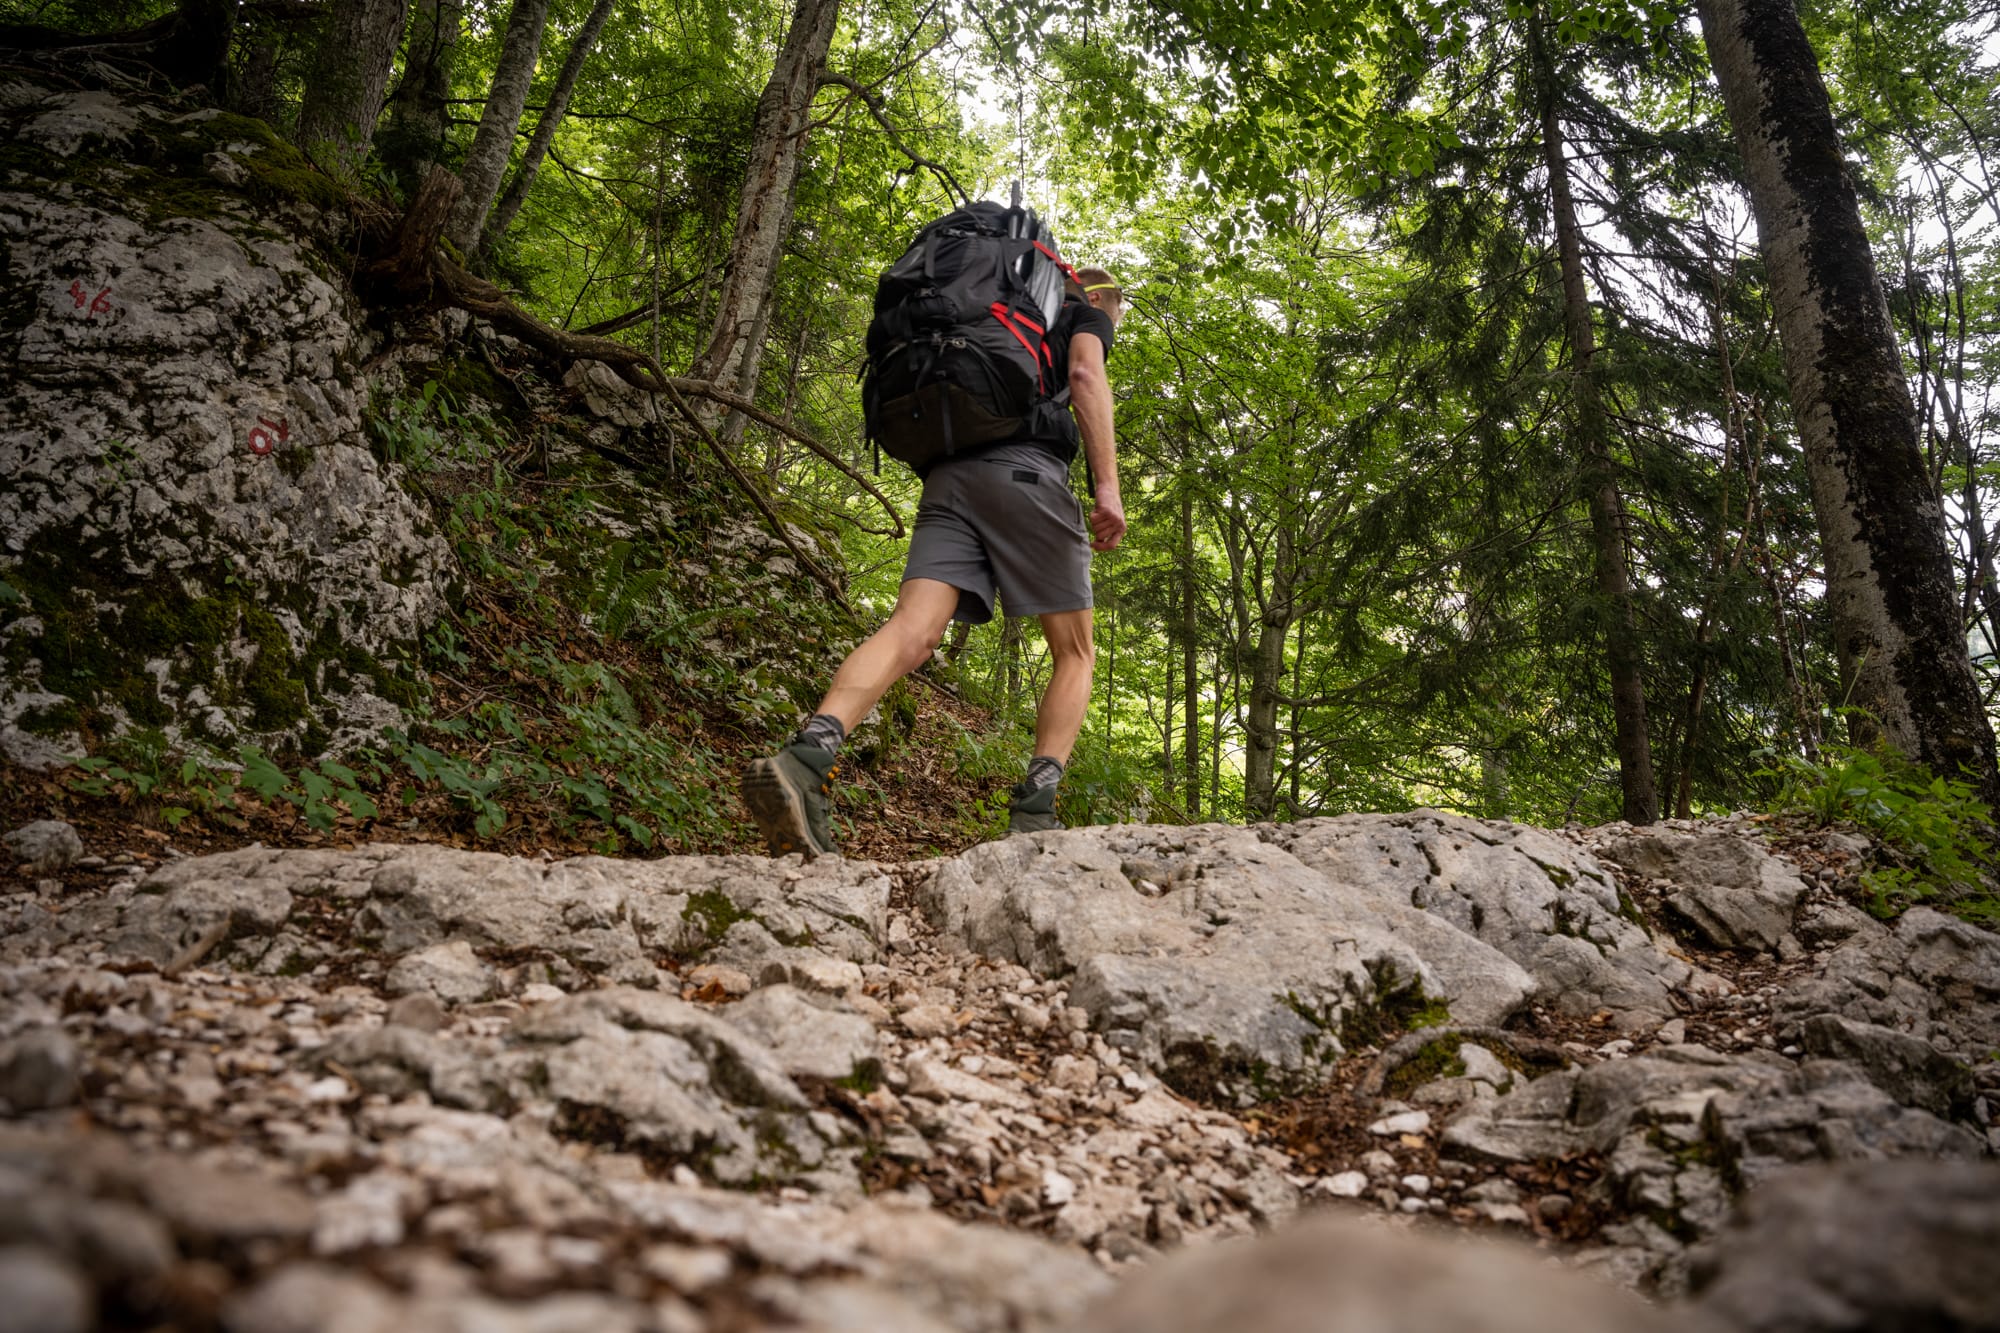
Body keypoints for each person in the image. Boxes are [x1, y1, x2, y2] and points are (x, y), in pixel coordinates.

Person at [741, 266, 1130, 856]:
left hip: (950, 478)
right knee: (1074, 652)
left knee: (911, 632)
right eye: (1117, 312)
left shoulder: (994, 311)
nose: (1115, 322)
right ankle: (1035, 811)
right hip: (1028, 470)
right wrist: (1108, 489)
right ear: (1098, 295)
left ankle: (805, 758)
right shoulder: (1084, 312)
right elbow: (1084, 374)